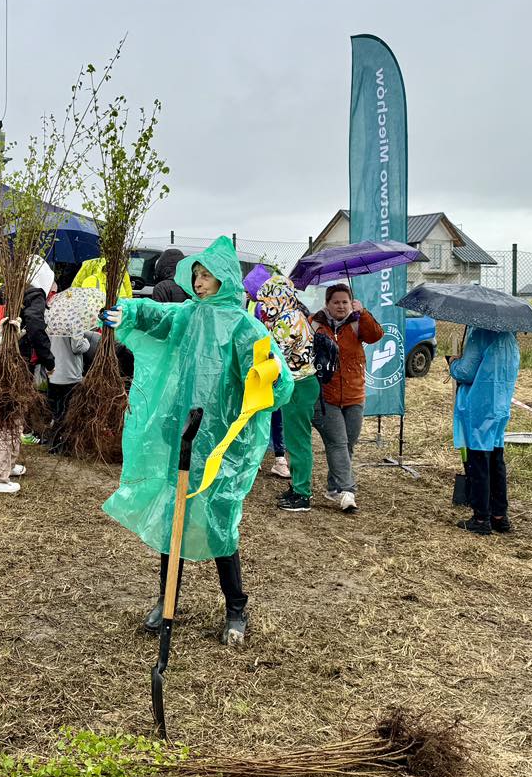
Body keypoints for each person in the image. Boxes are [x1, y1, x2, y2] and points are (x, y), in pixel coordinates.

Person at [100, 236, 293, 646]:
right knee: (175, 518)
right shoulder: (189, 315)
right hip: (183, 434)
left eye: (208, 275)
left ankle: (236, 608)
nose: (200, 282)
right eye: (198, 275)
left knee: (220, 524)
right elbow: (159, 315)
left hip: (223, 445)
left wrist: (270, 376)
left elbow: (278, 382)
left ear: (225, 279)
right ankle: (166, 600)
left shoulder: (246, 327)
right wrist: (129, 310)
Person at [0, 258, 56, 495]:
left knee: (15, 412)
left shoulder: (4, 292)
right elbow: (36, 326)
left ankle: (9, 463)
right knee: (11, 415)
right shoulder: (34, 294)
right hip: (17, 362)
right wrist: (49, 361)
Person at [310, 284, 382, 512]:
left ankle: (333, 488)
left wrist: (364, 313)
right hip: (325, 396)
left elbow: (375, 336)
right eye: (336, 302)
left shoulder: (357, 322)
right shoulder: (315, 324)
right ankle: (347, 492)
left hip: (354, 394)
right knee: (338, 443)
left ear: (351, 302)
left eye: (345, 302)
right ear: (327, 304)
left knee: (348, 443)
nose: (341, 306)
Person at [255, 273, 322, 512]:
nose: (263, 307)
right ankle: (297, 487)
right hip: (298, 384)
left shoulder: (288, 320)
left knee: (298, 441)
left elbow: (275, 355)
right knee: (295, 439)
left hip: (299, 385)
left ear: (279, 297)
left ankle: (302, 494)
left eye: (267, 301)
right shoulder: (293, 315)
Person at [450, 328, 521, 535]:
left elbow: (465, 372)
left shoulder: (480, 335)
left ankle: (481, 518)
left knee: (479, 461)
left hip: (479, 407)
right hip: (500, 406)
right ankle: (499, 515)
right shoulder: (510, 338)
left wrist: (454, 363)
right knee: (496, 460)